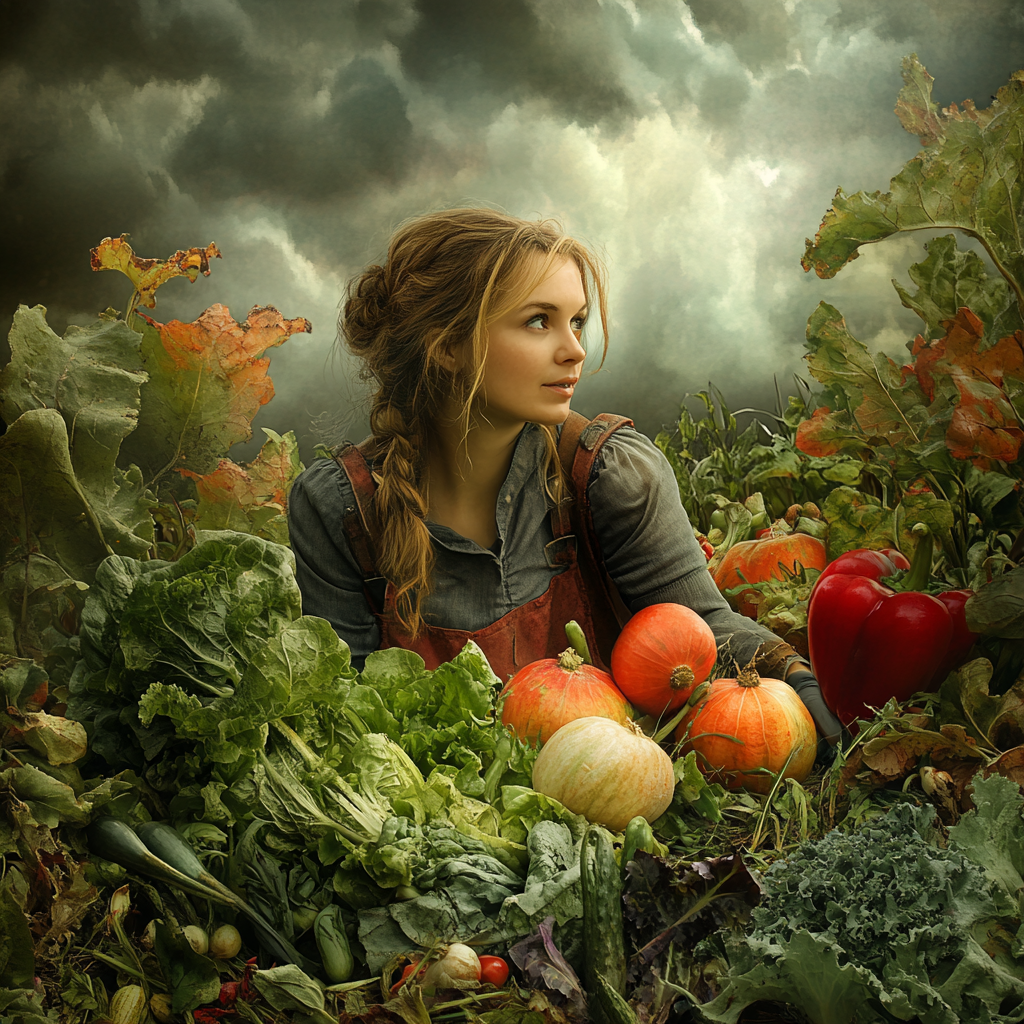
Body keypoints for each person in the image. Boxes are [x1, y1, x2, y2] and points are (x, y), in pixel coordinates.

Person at [287, 207, 842, 746]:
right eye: (538, 321)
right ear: (449, 346)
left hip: (612, 796)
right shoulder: (342, 508)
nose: (574, 349)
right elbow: (346, 716)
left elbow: (700, 625)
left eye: (576, 321)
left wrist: (794, 675)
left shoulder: (609, 474)